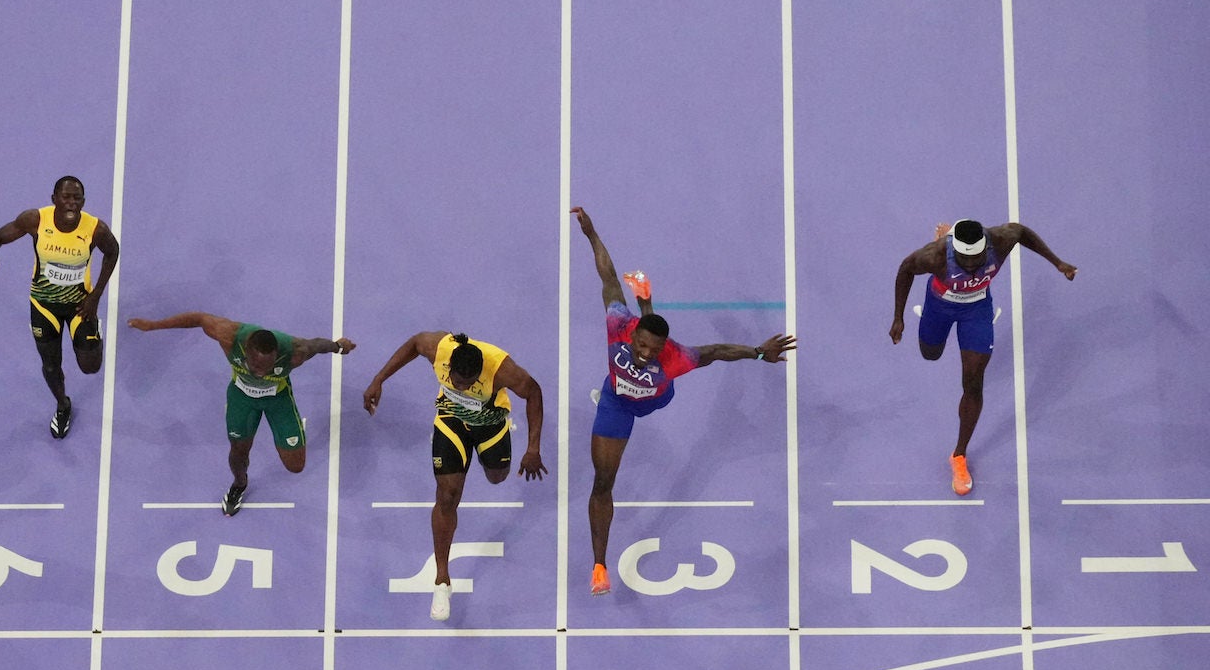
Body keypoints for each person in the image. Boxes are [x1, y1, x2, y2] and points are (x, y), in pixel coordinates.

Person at [574, 206, 794, 595]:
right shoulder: (618, 325)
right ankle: (599, 565)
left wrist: (760, 352)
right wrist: (591, 234)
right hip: (617, 404)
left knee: (667, 356)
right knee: (603, 482)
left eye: (652, 350)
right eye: (641, 345)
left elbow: (717, 351)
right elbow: (608, 276)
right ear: (632, 335)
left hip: (656, 398)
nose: (644, 354)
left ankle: (648, 299)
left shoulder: (675, 357)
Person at [362, 329, 546, 621]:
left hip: (491, 423)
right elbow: (412, 344)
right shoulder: (439, 349)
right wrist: (379, 379)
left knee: (497, 476)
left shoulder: (501, 369)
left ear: (480, 373)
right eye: (456, 382)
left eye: (467, 383)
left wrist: (533, 448)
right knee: (447, 496)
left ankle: (490, 452)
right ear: (449, 368)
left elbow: (534, 392)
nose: (461, 387)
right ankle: (442, 581)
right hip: (451, 421)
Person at [890, 217, 1076, 494]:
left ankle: (959, 455)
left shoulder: (1000, 240)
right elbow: (905, 270)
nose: (973, 266)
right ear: (955, 251)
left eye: (978, 259)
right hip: (939, 307)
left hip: (976, 311)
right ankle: (947, 234)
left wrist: (1058, 262)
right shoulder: (934, 256)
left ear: (984, 247)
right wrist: (898, 319)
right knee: (930, 354)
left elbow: (1022, 231)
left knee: (973, 382)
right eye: (966, 262)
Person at [126, 312, 355, 514]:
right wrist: (154, 325)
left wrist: (339, 346)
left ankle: (286, 431)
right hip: (242, 398)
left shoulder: (295, 352)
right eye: (256, 367)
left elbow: (317, 345)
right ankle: (239, 484)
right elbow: (198, 318)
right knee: (238, 451)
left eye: (268, 368)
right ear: (246, 351)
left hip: (278, 400)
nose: (261, 373)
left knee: (295, 467)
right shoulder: (229, 335)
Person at [0, 175, 119, 439]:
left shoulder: (95, 228)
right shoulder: (35, 220)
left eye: (76, 198)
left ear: (83, 201)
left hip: (81, 305)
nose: (71, 203)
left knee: (90, 366)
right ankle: (62, 405)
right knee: (51, 365)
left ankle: (92, 333)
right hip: (44, 306)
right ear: (53, 199)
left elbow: (113, 252)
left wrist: (96, 296)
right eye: (65, 197)